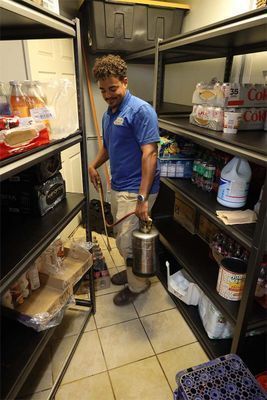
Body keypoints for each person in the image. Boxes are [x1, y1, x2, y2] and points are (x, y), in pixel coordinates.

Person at [89, 54, 160, 306]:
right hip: (118, 186)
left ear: (125, 82)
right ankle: (133, 273)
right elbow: (108, 148)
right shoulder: (109, 114)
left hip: (136, 189)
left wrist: (142, 198)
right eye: (103, 90)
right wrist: (93, 165)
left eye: (113, 88)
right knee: (122, 237)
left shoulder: (141, 111)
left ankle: (138, 285)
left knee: (128, 242)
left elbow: (150, 154)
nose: (108, 95)